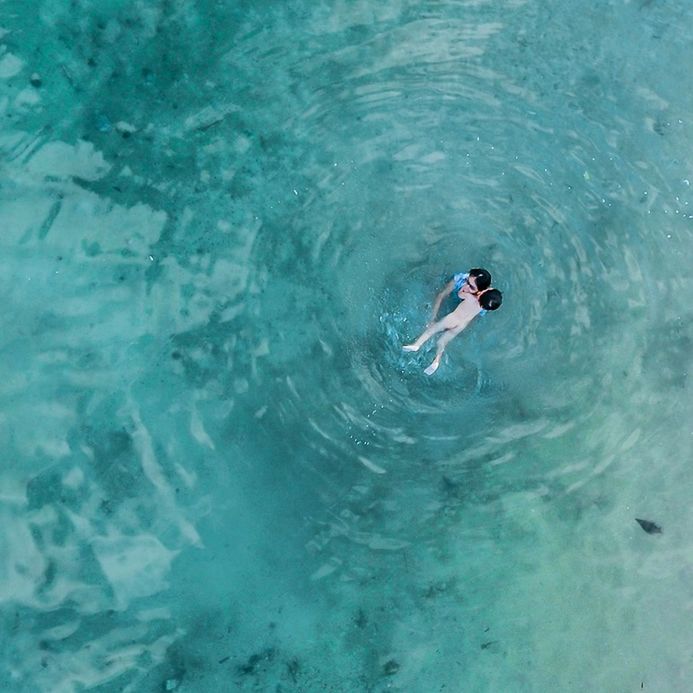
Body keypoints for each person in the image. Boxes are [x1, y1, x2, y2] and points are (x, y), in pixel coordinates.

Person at [403, 268, 502, 375]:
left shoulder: (469, 297)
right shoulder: (482, 304)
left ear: (481, 291)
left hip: (452, 319)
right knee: (442, 342)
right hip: (461, 325)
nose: (466, 285)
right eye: (467, 282)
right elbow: (441, 295)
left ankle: (416, 345)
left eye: (471, 286)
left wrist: (433, 321)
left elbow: (460, 295)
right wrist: (433, 316)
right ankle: (436, 361)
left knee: (430, 331)